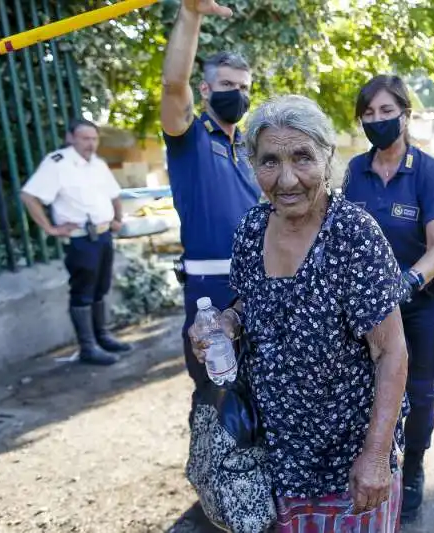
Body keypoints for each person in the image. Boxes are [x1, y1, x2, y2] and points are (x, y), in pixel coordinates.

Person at [192, 95, 408, 532]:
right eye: (270, 161)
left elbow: (391, 351)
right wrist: (225, 323)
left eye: (302, 157)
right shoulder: (252, 229)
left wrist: (376, 454)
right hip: (274, 454)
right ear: (253, 165)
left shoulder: (352, 235)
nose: (287, 179)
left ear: (327, 159)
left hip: (348, 459)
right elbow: (249, 301)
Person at [343, 75, 434, 523]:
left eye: (386, 112)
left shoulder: (427, 171)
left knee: (420, 392)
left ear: (405, 115)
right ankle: (376, 462)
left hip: (421, 303)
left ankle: (412, 469)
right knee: (369, 389)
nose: (377, 120)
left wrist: (408, 281)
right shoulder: (354, 171)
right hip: (369, 310)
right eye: (368, 114)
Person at [160, 0, 261, 412]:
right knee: (220, 406)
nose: (236, 94)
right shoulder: (190, 138)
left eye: (243, 87)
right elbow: (172, 84)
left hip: (259, 288)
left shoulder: (251, 148)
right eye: (226, 86)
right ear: (205, 90)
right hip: (211, 294)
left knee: (266, 398)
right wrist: (191, 14)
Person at [20, 119, 130, 366]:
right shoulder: (58, 163)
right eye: (84, 138)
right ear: (70, 138)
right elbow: (28, 195)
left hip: (103, 235)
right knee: (83, 290)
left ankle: (102, 337)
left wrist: (118, 219)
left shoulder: (98, 164)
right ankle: (88, 348)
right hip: (81, 238)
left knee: (101, 287)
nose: (90, 143)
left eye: (94, 138)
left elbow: (114, 194)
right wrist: (50, 228)